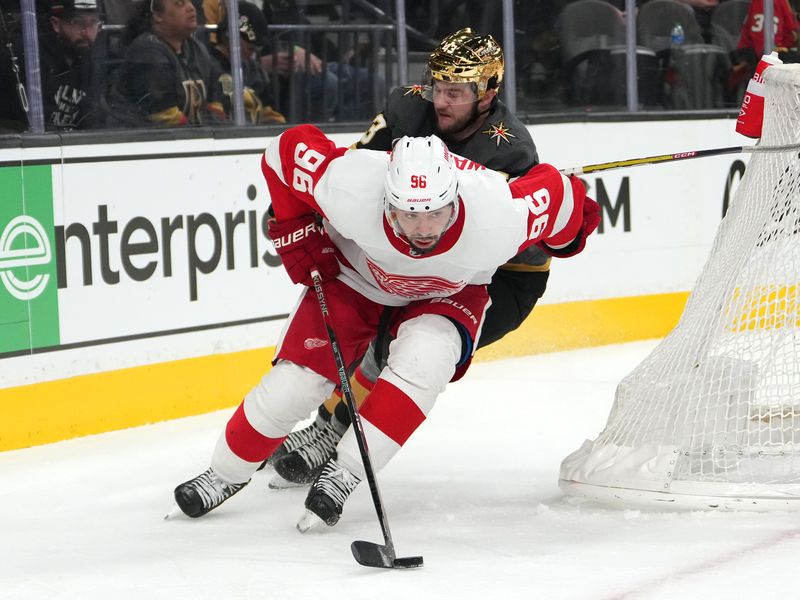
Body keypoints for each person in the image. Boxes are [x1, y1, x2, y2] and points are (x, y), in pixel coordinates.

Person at [173, 124, 600, 529]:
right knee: (294, 386)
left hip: (448, 292)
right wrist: (294, 228)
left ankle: (345, 473)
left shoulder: (497, 213)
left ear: (455, 199)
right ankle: (224, 473)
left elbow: (560, 195)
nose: (422, 230)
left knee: (423, 365)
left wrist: (577, 222)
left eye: (435, 214)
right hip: (358, 281)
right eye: (406, 215)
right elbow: (284, 151)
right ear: (384, 201)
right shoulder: (351, 185)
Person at [268, 28, 551, 487]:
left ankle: (330, 432)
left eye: (456, 92)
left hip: (499, 276)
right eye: (438, 86)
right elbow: (352, 170)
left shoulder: (511, 150)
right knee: (354, 317)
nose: (442, 100)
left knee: (398, 350)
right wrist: (298, 211)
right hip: (420, 253)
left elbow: (504, 241)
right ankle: (329, 427)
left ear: (488, 93)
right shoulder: (408, 109)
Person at [109, 0, 226, 126]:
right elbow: (165, 117)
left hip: (194, 141)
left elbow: (217, 89)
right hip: (150, 142)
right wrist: (202, 136)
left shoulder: (197, 48)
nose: (191, 8)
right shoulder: (147, 51)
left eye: (189, 2)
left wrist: (217, 124)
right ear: (158, 16)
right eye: (179, 4)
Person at [209, 1, 285, 124]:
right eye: (250, 48)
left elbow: (270, 112)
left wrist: (278, 128)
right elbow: (212, 117)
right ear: (230, 35)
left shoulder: (255, 70)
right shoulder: (208, 65)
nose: (252, 54)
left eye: (256, 49)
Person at [38, 0, 102, 130]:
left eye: (93, 23)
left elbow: (95, 118)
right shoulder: (32, 59)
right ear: (56, 24)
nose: (86, 33)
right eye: (77, 22)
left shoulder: (89, 63)